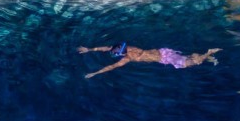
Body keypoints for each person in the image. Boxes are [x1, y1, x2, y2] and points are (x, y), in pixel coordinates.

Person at [77, 42, 221, 78]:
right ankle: (208, 57)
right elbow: (107, 48)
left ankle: (208, 54)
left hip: (165, 58)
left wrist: (95, 73)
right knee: (187, 58)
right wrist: (89, 49)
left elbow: (112, 67)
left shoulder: (127, 58)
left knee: (191, 63)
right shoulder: (128, 48)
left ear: (119, 54)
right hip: (162, 51)